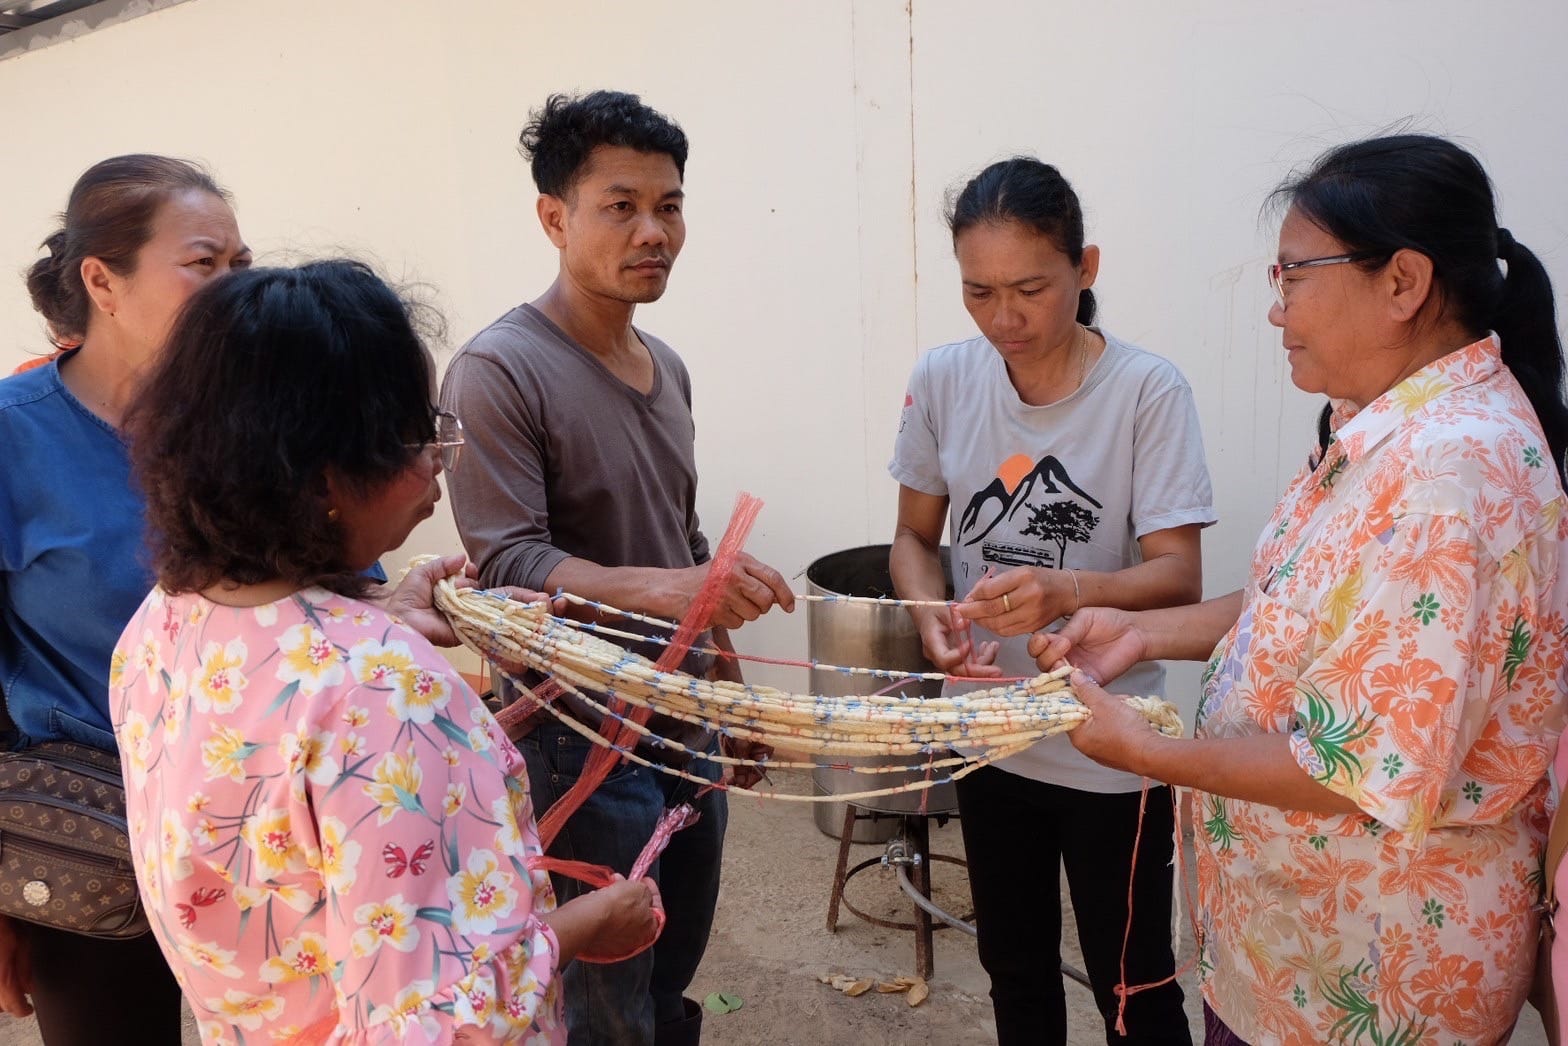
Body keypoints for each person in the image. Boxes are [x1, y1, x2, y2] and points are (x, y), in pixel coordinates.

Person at [1034, 134, 1568, 1046]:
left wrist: (1142, 749)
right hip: (1288, 956)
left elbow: (1360, 766)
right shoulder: (1381, 427)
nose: (1278, 312)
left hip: (1365, 980)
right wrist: (1140, 632)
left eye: (1295, 277)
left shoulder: (1451, 474)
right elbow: (1309, 604)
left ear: (1403, 282)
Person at [110, 259, 662, 1044]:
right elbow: (430, 1026)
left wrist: (461, 731)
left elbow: (300, 821)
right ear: (326, 473)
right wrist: (582, 925)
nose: (436, 459)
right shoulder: (381, 690)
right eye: (415, 434)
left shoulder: (162, 624)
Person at [0, 155, 470, 1044]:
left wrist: (388, 611)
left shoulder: (256, 412)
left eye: (241, 266)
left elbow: (316, 585)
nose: (231, 292)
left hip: (275, 837)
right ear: (101, 280)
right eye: (204, 263)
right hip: (90, 827)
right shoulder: (13, 438)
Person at [439, 90, 794, 1046]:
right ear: (554, 216)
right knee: (602, 995)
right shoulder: (498, 371)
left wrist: (730, 688)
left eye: (670, 205)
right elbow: (506, 560)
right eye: (621, 204)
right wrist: (673, 590)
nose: (654, 231)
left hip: (683, 716)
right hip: (573, 729)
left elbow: (682, 540)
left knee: (672, 958)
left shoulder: (667, 365)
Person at [888, 156, 1214, 1045]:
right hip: (989, 732)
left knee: (1135, 988)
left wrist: (1064, 589)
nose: (1005, 318)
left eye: (1030, 288)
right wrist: (929, 614)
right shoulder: (946, 378)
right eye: (979, 292)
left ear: (1087, 267)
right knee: (1015, 973)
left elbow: (1177, 574)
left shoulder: (1148, 391)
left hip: (1109, 740)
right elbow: (915, 539)